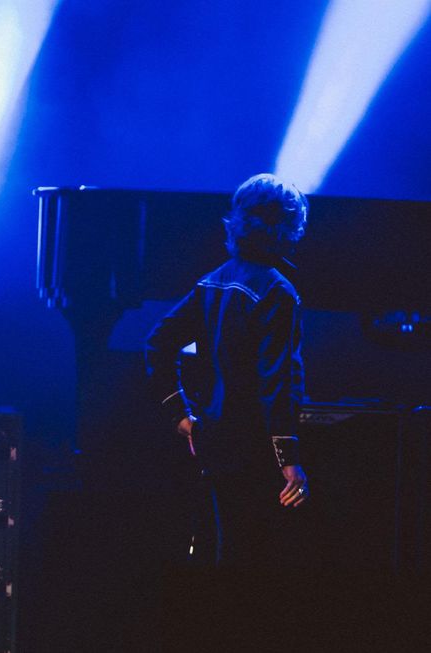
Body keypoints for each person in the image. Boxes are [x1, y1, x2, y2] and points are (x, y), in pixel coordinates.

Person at [144, 173, 309, 571]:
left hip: (213, 439)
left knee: (219, 551)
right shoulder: (276, 291)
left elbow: (157, 344)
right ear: (285, 226)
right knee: (256, 559)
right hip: (254, 448)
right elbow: (276, 380)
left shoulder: (212, 282)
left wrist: (180, 415)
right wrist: (289, 458)